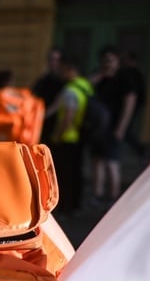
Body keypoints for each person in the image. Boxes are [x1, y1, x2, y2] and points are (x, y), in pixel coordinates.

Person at [89, 45, 139, 205]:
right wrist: (102, 75)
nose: (107, 64)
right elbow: (84, 86)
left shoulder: (124, 78)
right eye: (104, 60)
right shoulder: (99, 77)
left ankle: (113, 196)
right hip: (98, 127)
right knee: (97, 160)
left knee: (112, 162)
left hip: (114, 126)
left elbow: (130, 103)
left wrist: (121, 128)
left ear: (117, 61)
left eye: (110, 60)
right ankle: (97, 194)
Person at [49, 53, 90, 217]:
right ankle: (75, 205)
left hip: (68, 138)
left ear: (71, 70)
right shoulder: (85, 85)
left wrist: (57, 135)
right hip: (80, 135)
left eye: (64, 70)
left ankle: (66, 207)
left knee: (65, 175)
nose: (61, 73)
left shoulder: (70, 90)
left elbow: (68, 116)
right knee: (76, 172)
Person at [32, 47, 66, 147]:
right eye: (50, 59)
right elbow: (33, 95)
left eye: (56, 60)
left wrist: (44, 115)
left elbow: (59, 103)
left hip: (57, 123)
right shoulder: (43, 80)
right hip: (42, 123)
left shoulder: (64, 81)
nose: (53, 62)